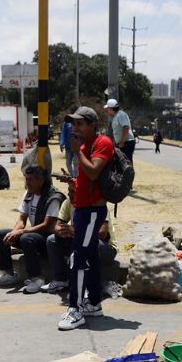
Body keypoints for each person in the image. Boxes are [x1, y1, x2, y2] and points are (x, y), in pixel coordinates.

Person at [56, 106, 113, 331]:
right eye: (73, 123)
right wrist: (73, 183)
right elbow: (87, 179)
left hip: (91, 212)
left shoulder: (102, 143)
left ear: (92, 125)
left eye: (80, 123)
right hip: (82, 209)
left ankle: (76, 309)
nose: (75, 127)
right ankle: (94, 303)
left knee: (78, 258)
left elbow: (93, 172)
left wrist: (77, 150)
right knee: (89, 256)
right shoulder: (87, 145)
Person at [0, 166, 65, 293]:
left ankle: (37, 278)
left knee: (27, 238)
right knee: (2, 234)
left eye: (31, 180)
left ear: (41, 180)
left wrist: (22, 232)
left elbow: (47, 225)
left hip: (48, 239)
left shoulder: (54, 197)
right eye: (26, 179)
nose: (27, 183)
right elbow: (22, 219)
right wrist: (14, 233)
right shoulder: (29, 194)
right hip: (33, 234)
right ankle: (9, 274)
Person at [43, 182, 117, 294]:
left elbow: (102, 233)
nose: (69, 194)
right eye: (69, 190)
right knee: (52, 240)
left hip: (105, 248)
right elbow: (58, 225)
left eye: (73, 192)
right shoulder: (68, 203)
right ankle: (60, 279)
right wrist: (60, 231)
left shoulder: (97, 204)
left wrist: (76, 232)